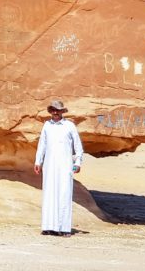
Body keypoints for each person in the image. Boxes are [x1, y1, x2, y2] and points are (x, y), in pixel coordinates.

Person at [33, 99, 84, 236]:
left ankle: (63, 228)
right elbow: (42, 145)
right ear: (50, 111)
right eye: (53, 110)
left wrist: (77, 162)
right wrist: (38, 161)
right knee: (49, 194)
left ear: (62, 111)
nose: (55, 113)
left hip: (65, 165)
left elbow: (78, 146)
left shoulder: (69, 126)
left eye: (58, 110)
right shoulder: (47, 125)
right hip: (49, 166)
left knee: (64, 194)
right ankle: (48, 226)